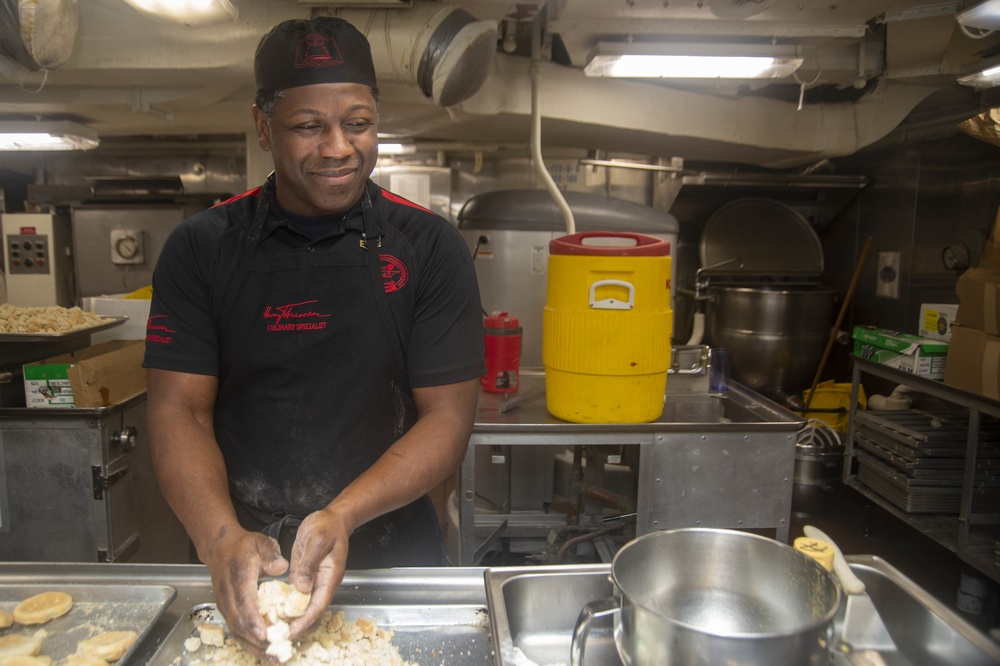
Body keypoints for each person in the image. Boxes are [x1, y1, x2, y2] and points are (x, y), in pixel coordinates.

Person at [143, 16, 484, 658]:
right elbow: (177, 408)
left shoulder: (428, 247)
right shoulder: (202, 249)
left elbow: (448, 418)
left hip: (390, 549)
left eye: (357, 124)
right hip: (248, 558)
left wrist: (343, 514)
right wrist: (218, 539)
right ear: (264, 126)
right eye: (308, 127)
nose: (338, 148)